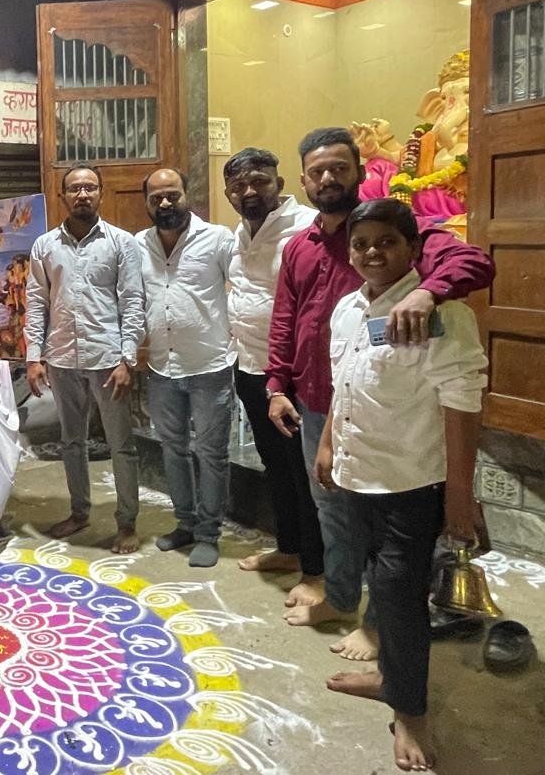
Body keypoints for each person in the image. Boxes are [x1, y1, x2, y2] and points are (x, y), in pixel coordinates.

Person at [266, 127, 494, 659]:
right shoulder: (299, 245)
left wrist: (426, 292)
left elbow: (475, 263)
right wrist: (277, 382)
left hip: (388, 412)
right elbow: (285, 316)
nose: (328, 179)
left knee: (390, 537)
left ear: (360, 172)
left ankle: (379, 626)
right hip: (321, 400)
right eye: (317, 172)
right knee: (332, 511)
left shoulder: (397, 228)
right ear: (304, 181)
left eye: (338, 168)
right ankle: (341, 598)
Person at [314, 199, 487, 772]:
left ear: (413, 248)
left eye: (386, 242)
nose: (372, 253)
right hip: (357, 477)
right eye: (361, 243)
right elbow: (343, 383)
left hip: (410, 485)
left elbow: (462, 404)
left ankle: (412, 713)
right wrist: (328, 443)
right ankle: (390, 677)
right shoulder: (348, 309)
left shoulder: (441, 315)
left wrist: (459, 496)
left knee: (401, 600)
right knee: (379, 587)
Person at [223, 148, 325, 605]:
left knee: (304, 475)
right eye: (238, 185)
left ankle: (317, 571)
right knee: (276, 467)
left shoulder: (306, 227)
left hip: (293, 376)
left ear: (280, 182)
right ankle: (289, 548)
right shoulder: (239, 233)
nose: (249, 191)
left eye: (259, 181)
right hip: (250, 367)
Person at [25, 165, 145, 554]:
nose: (82, 194)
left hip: (108, 358)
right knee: (71, 441)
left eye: (89, 187)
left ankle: (127, 523)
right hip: (62, 357)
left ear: (101, 193)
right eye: (74, 188)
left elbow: (133, 301)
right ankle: (79, 512)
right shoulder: (45, 245)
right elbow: (37, 301)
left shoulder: (121, 243)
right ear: (63, 195)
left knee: (120, 444)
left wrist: (127, 358)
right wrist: (34, 356)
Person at [137, 168, 237, 568]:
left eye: (172, 195)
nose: (165, 203)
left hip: (209, 365)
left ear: (186, 194)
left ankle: (209, 533)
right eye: (156, 197)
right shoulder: (137, 246)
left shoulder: (218, 239)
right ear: (147, 202)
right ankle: (185, 523)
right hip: (162, 366)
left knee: (211, 453)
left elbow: (243, 287)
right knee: (173, 449)